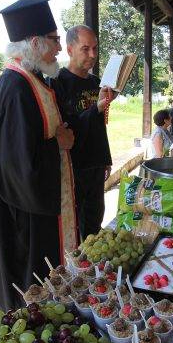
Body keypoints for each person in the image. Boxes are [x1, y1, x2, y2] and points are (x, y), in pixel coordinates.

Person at [0, 0, 76, 318]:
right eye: (54, 40)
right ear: (35, 43)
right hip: (29, 217)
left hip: (40, 207)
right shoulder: (15, 87)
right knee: (32, 290)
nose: (59, 49)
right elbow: (17, 167)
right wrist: (59, 144)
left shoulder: (32, 80)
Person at [50, 25, 113, 241]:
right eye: (85, 49)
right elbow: (65, 127)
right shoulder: (57, 82)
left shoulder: (97, 83)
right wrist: (94, 108)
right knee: (76, 228)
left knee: (95, 224)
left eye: (95, 48)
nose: (92, 55)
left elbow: (99, 126)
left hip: (96, 164)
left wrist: (106, 158)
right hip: (74, 166)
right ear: (69, 50)